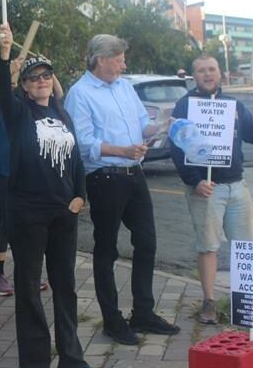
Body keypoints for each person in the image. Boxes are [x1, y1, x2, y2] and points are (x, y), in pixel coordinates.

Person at [64, 34, 180, 346]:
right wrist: (121, 150)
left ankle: (143, 312)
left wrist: (162, 127)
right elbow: (82, 142)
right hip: (105, 178)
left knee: (147, 242)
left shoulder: (125, 87)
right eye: (119, 60)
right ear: (101, 60)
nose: (124, 65)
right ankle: (112, 321)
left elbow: (143, 124)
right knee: (106, 250)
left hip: (135, 174)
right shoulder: (80, 93)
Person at [0, 23, 94, 368]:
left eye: (46, 76)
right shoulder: (19, 113)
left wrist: (81, 195)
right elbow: (2, 93)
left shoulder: (62, 114)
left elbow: (76, 158)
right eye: (34, 77)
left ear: (53, 82)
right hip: (28, 212)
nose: (41, 81)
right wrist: (5, 55)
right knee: (28, 288)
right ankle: (35, 364)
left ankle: (71, 357)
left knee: (65, 286)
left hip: (64, 213)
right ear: (25, 85)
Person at [170, 54, 253, 324]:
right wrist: (195, 181)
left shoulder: (233, 104)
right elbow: (177, 147)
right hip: (206, 189)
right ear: (194, 76)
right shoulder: (185, 105)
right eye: (202, 70)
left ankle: (246, 301)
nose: (207, 74)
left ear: (220, 74)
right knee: (208, 247)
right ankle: (209, 302)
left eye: (212, 69)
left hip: (237, 185)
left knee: (246, 248)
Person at [0, 57, 63, 296]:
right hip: (4, 170)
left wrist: (45, 66)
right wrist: (8, 69)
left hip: (27, 170)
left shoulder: (22, 101)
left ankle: (27, 274)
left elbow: (58, 95)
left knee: (27, 222)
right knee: (7, 221)